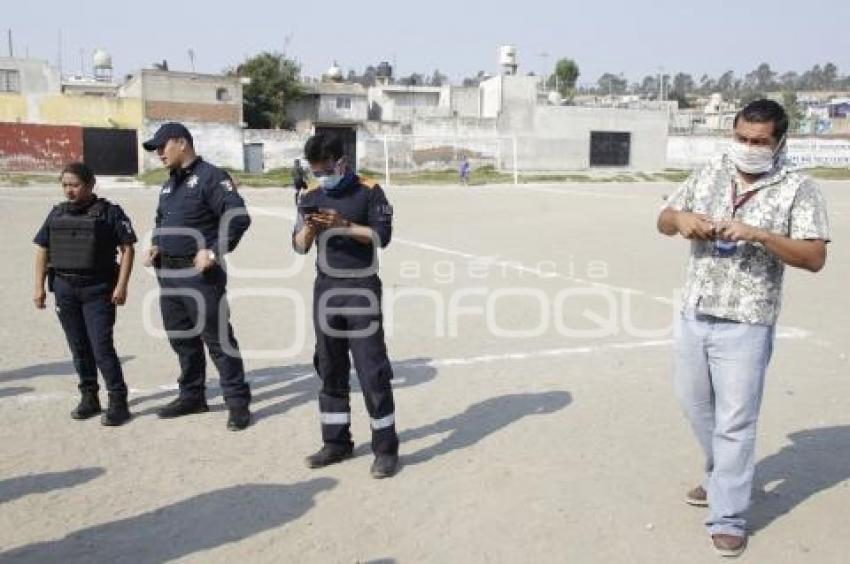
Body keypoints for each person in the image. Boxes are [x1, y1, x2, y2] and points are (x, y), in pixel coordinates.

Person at [657, 99, 830, 557]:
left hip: (747, 321)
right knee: (695, 405)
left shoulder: (799, 188)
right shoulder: (711, 170)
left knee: (735, 421)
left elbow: (814, 257)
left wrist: (760, 234)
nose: (748, 148)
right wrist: (683, 221)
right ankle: (722, 476)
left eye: (759, 142)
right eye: (741, 139)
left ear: (779, 142)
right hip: (694, 311)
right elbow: (663, 219)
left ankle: (728, 515)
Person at [293, 133, 399, 478]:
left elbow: (381, 236)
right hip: (326, 291)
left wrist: (344, 225)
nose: (322, 176)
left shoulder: (369, 191)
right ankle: (336, 442)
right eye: (316, 171)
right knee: (329, 367)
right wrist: (309, 229)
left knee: (372, 370)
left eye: (326, 169)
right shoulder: (310, 195)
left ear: (342, 162)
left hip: (361, 289)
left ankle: (385, 449)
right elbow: (298, 247)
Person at [141, 122, 253, 431]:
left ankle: (237, 402)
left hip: (200, 276)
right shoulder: (168, 184)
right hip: (169, 274)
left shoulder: (211, 177)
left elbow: (238, 218)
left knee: (218, 340)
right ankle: (192, 395)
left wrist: (214, 251)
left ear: (181, 143)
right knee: (181, 338)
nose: (158, 154)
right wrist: (155, 244)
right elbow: (162, 219)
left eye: (161, 147)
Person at [32, 162, 137, 426]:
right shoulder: (56, 214)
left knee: (101, 347)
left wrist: (121, 285)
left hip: (98, 289)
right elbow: (43, 249)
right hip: (65, 288)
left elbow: (127, 249)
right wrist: (38, 287)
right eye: (65, 185)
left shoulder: (109, 213)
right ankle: (89, 397)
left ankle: (118, 401)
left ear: (90, 185)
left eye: (75, 185)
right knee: (78, 347)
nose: (69, 190)